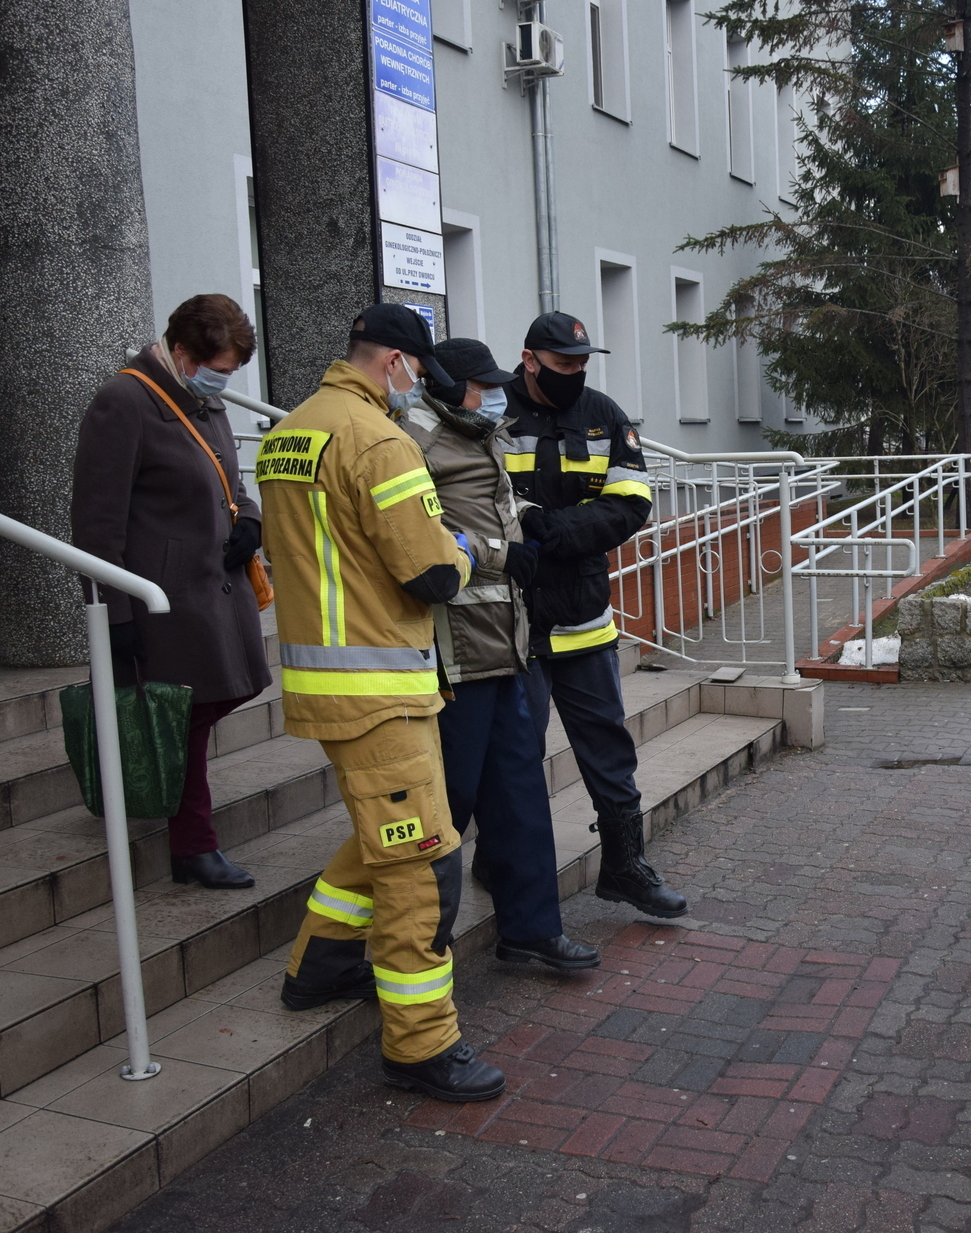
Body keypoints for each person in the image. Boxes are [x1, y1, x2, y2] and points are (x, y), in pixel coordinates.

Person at [258, 303, 503, 1103]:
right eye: (416, 372)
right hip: (379, 688)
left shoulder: (290, 430)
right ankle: (422, 1045)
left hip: (331, 680)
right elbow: (429, 573)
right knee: (421, 858)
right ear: (395, 361)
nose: (416, 388)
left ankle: (319, 970)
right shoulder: (379, 439)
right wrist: (463, 550)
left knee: (383, 833)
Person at [398, 335, 601, 972]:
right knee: (446, 810)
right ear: (443, 383)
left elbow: (502, 509)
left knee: (520, 801)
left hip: (509, 644)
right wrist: (496, 552)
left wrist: (531, 530)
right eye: (480, 386)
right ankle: (418, 950)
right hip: (453, 654)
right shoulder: (412, 441)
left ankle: (532, 931)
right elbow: (419, 535)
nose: (493, 395)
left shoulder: (483, 432)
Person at [72, 293, 272, 890]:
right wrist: (117, 614)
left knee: (202, 710)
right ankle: (192, 845)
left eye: (233, 371)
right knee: (185, 715)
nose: (224, 380)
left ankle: (178, 822)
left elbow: (227, 479)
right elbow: (95, 524)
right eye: (217, 367)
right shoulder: (124, 401)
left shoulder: (199, 398)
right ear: (180, 350)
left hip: (213, 590)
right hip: (164, 599)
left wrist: (251, 519)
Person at [503, 311, 688, 919]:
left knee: (609, 750)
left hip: (584, 614)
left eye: (582, 363)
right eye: (563, 364)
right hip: (514, 622)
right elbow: (474, 498)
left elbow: (632, 501)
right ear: (530, 360)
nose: (575, 374)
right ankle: (505, 865)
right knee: (516, 757)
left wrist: (554, 531)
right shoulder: (492, 414)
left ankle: (625, 866)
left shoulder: (604, 414)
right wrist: (527, 527)